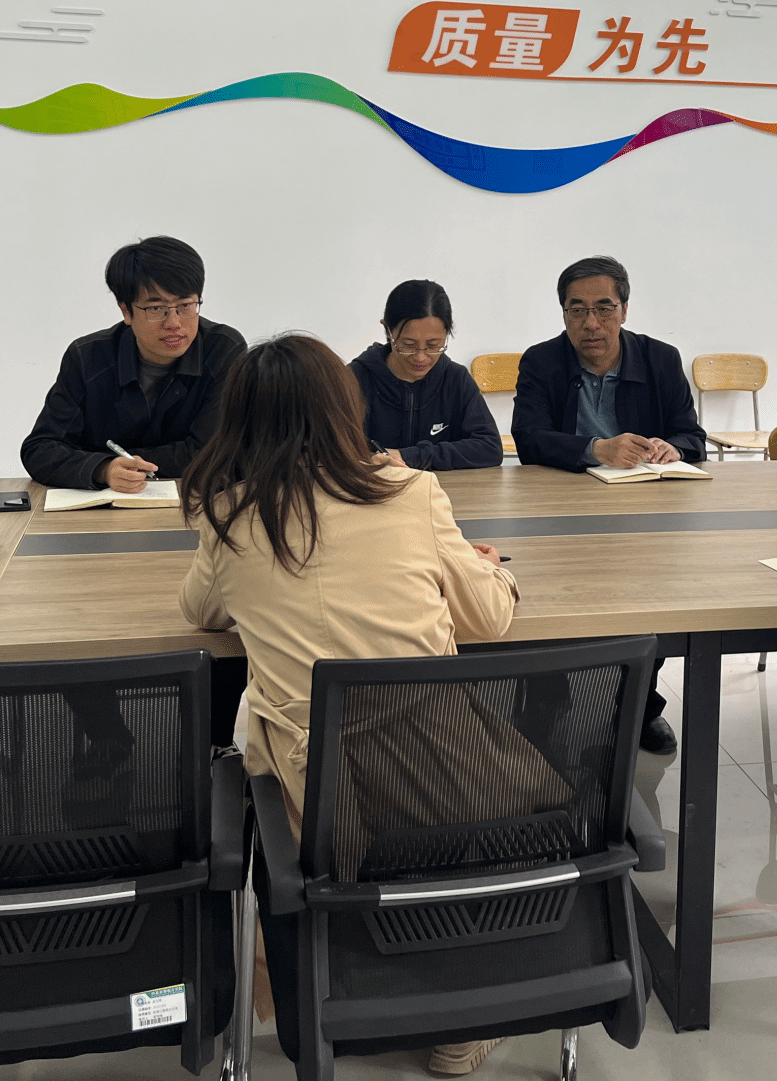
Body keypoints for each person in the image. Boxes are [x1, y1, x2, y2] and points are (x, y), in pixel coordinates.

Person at [177, 334, 522, 1078]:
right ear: (345, 408)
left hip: (313, 793)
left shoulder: (229, 512)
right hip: (445, 771)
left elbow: (200, 611)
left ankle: (336, 998)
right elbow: (489, 618)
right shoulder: (410, 491)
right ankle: (458, 1024)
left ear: (238, 421)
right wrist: (495, 572)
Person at [513, 254, 704, 755]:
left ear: (624, 309)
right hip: (558, 508)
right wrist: (595, 448)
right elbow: (528, 439)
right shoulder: (541, 361)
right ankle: (546, 698)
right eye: (577, 310)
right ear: (563, 313)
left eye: (604, 308)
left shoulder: (660, 359)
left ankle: (639, 707)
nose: (591, 323)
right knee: (547, 598)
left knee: (651, 596)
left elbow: (692, 435)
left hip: (641, 512)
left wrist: (672, 447)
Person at [22, 236, 246, 492]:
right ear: (126, 311)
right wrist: (104, 469)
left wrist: (117, 461)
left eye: (185, 305)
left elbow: (215, 452)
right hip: (105, 506)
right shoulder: (87, 358)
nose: (174, 323)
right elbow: (40, 449)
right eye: (156, 308)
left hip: (192, 502)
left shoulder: (223, 350)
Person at [349, 279, 503, 471]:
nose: (421, 357)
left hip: (442, 488)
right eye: (408, 345)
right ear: (387, 330)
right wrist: (370, 459)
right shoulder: (354, 379)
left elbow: (490, 448)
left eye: (433, 345)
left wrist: (410, 456)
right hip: (375, 486)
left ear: (448, 330)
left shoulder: (456, 380)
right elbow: (329, 450)